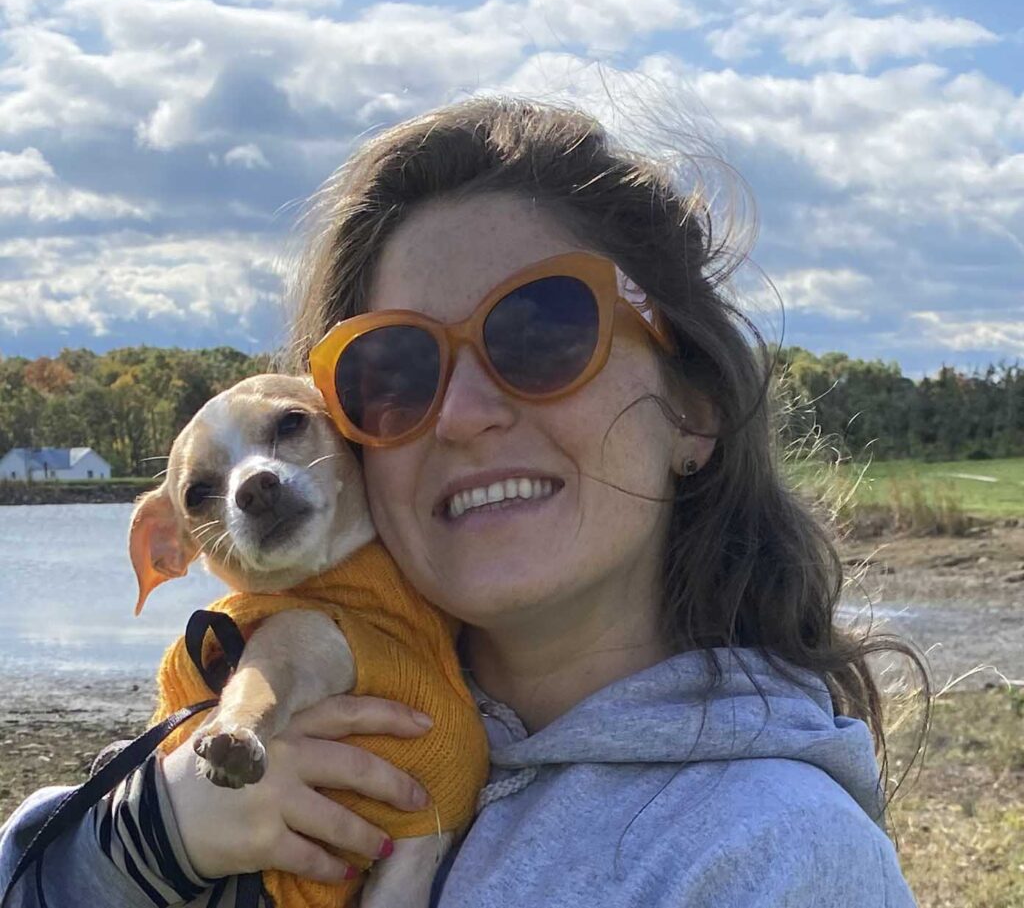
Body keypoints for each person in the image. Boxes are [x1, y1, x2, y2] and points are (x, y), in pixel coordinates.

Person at [0, 97, 927, 907]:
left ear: (692, 406)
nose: (463, 411)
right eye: (395, 370)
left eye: (544, 329)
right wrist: (127, 850)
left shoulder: (773, 855)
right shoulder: (278, 702)